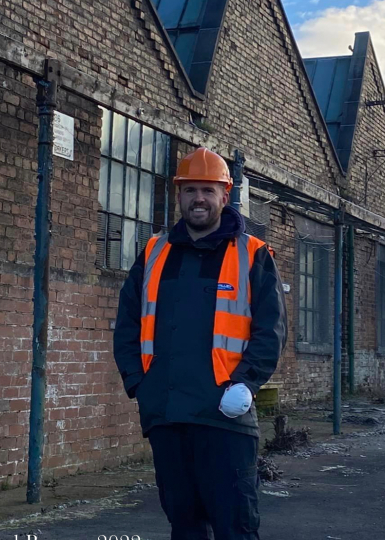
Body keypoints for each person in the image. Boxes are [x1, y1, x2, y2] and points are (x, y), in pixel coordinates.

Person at [113, 147, 287, 539]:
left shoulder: (252, 254)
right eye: (190, 190)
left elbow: (271, 329)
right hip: (167, 415)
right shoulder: (155, 253)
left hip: (224, 417)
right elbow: (126, 323)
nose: (199, 199)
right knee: (184, 526)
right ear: (178, 196)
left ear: (225, 195)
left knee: (235, 526)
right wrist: (140, 384)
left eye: (208, 190)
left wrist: (246, 382)